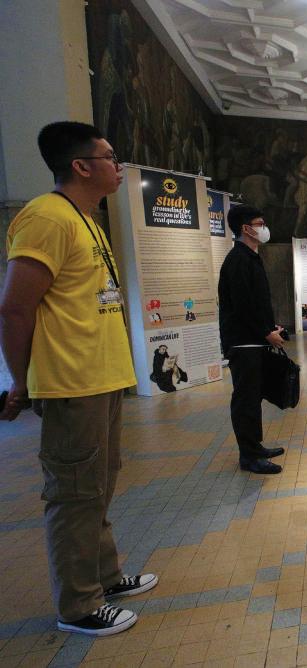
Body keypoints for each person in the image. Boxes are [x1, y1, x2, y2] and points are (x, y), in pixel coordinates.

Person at [0, 121, 157, 636]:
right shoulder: (45, 217)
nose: (119, 165)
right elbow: (15, 309)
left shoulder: (84, 217)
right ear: (81, 166)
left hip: (102, 378)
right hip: (71, 382)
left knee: (97, 487)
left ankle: (105, 578)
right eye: (110, 157)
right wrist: (20, 382)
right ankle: (79, 605)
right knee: (73, 495)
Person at [218, 205, 287, 475]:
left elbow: (258, 301)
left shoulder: (250, 257)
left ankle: (255, 447)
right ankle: (249, 456)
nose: (264, 228)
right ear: (246, 228)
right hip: (243, 342)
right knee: (245, 399)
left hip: (254, 340)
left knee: (253, 396)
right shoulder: (238, 259)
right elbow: (243, 305)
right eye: (260, 223)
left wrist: (271, 327)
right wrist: (265, 333)